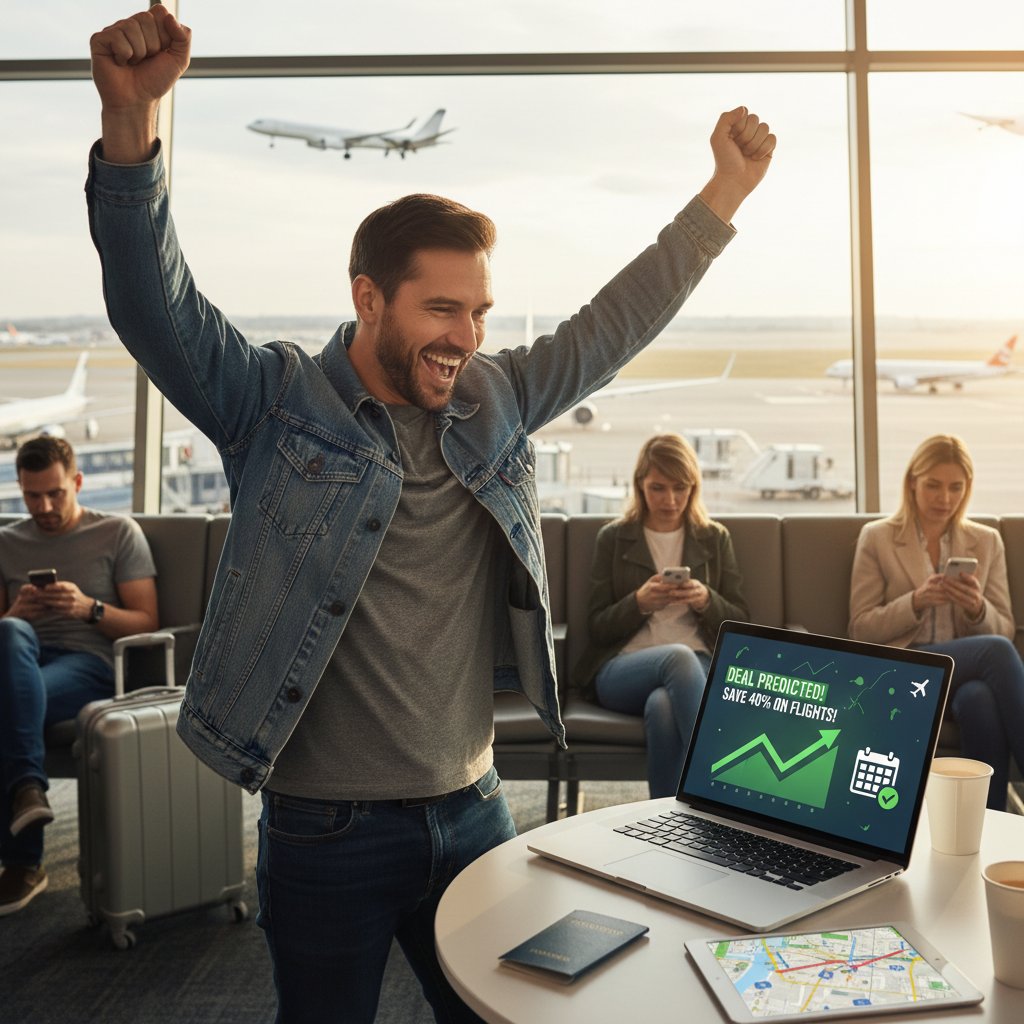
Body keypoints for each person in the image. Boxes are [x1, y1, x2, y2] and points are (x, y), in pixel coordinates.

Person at [87, 7, 775, 1020]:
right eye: (442, 309)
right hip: (327, 827)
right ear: (369, 299)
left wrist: (720, 197)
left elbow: (612, 325)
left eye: (481, 311)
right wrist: (130, 129)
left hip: (473, 807)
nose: (467, 335)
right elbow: (158, 306)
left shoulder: (493, 398)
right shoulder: (275, 403)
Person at [0, 437, 158, 915]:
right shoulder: (7, 542)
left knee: (10, 702)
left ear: (77, 483)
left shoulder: (116, 532)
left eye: (55, 493)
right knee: (10, 633)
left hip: (88, 663)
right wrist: (17, 610)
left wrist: (89, 609)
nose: (44, 507)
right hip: (20, 658)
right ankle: (28, 797)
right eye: (32, 496)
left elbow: (148, 621)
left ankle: (23, 863)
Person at [849, 434, 1024, 810]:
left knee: (980, 699)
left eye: (955, 488)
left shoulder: (986, 541)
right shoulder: (878, 537)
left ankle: (987, 827)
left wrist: (978, 608)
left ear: (967, 489)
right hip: (903, 669)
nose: (944, 498)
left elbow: (1004, 626)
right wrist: (915, 601)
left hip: (962, 675)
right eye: (933, 485)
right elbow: (860, 628)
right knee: (995, 651)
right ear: (912, 482)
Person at [572, 434, 749, 797]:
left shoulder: (714, 538)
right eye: (658, 488)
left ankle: (667, 821)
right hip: (623, 668)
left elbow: (741, 622)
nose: (670, 500)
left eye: (680, 488)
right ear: (640, 485)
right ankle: (721, 786)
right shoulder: (614, 538)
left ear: (693, 487)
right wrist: (638, 602)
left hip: (695, 669)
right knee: (677, 657)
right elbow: (597, 626)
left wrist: (706, 600)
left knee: (663, 706)